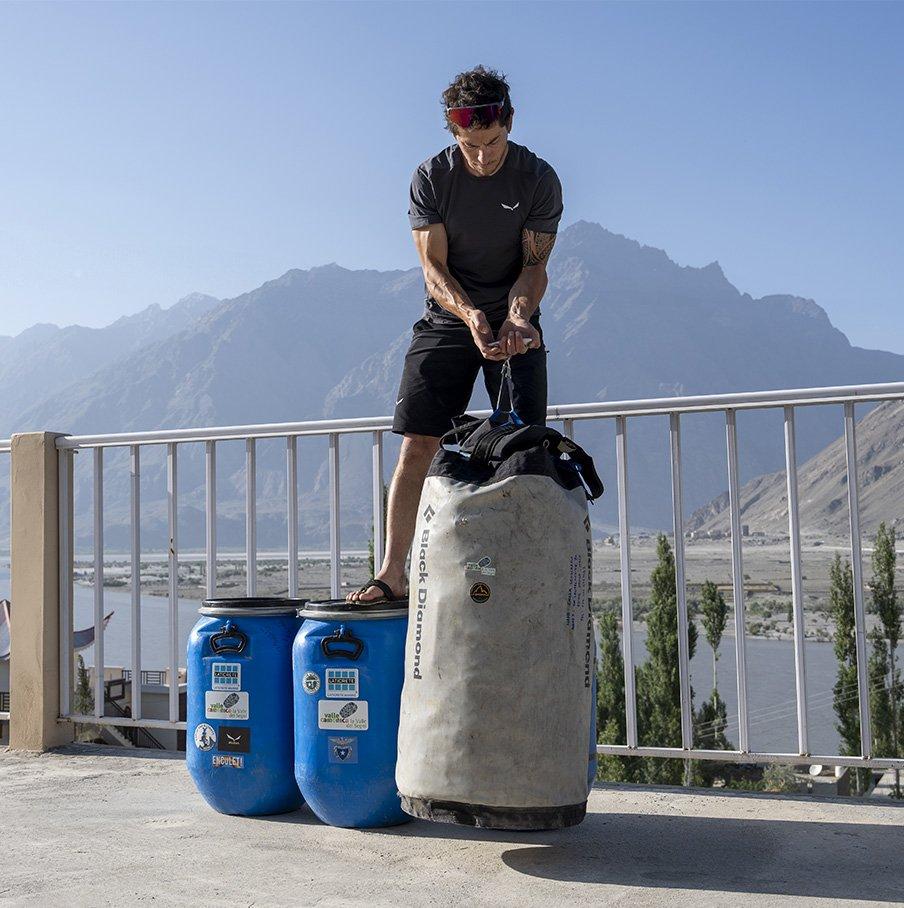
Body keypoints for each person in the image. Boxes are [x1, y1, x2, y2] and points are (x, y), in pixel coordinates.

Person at [347, 65, 563, 604]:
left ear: (509, 123)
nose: (483, 157)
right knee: (417, 443)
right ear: (454, 133)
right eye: (471, 146)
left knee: (521, 448)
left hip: (514, 318)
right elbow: (433, 269)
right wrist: (470, 316)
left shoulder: (538, 178)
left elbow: (534, 268)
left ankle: (519, 580)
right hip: (448, 316)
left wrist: (517, 317)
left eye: (492, 143)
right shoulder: (431, 178)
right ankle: (391, 574)